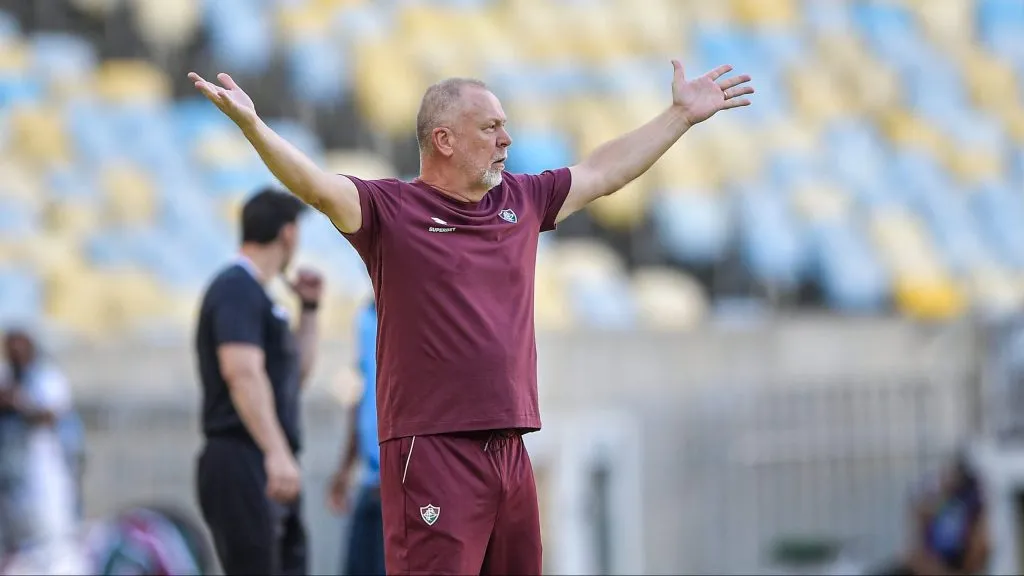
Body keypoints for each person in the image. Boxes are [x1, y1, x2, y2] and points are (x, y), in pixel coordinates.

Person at [188, 58, 753, 574]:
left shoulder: (523, 199)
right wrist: (255, 129)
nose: (506, 139)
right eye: (490, 128)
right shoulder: (391, 212)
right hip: (431, 449)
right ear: (444, 140)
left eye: (504, 126)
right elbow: (314, 184)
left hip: (509, 449)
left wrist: (679, 116)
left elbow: (604, 172)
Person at [193, 188, 324, 575]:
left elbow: (291, 378)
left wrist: (311, 311)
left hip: (264, 457)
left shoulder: (260, 298)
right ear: (289, 234)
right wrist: (276, 451)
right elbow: (242, 372)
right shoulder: (237, 288)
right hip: (244, 454)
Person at [0, 329, 78, 564]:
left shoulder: (47, 378)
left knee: (53, 545)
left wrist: (19, 403)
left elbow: (51, 414)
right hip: (8, 479)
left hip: (42, 479)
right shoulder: (4, 377)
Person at [327, 298, 385, 575]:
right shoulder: (364, 316)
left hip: (404, 483)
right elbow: (360, 394)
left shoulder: (419, 312)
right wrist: (344, 467)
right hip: (370, 480)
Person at [875, 452, 989, 576]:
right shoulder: (939, 506)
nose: (942, 479)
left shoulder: (972, 511)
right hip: (930, 563)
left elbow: (972, 561)